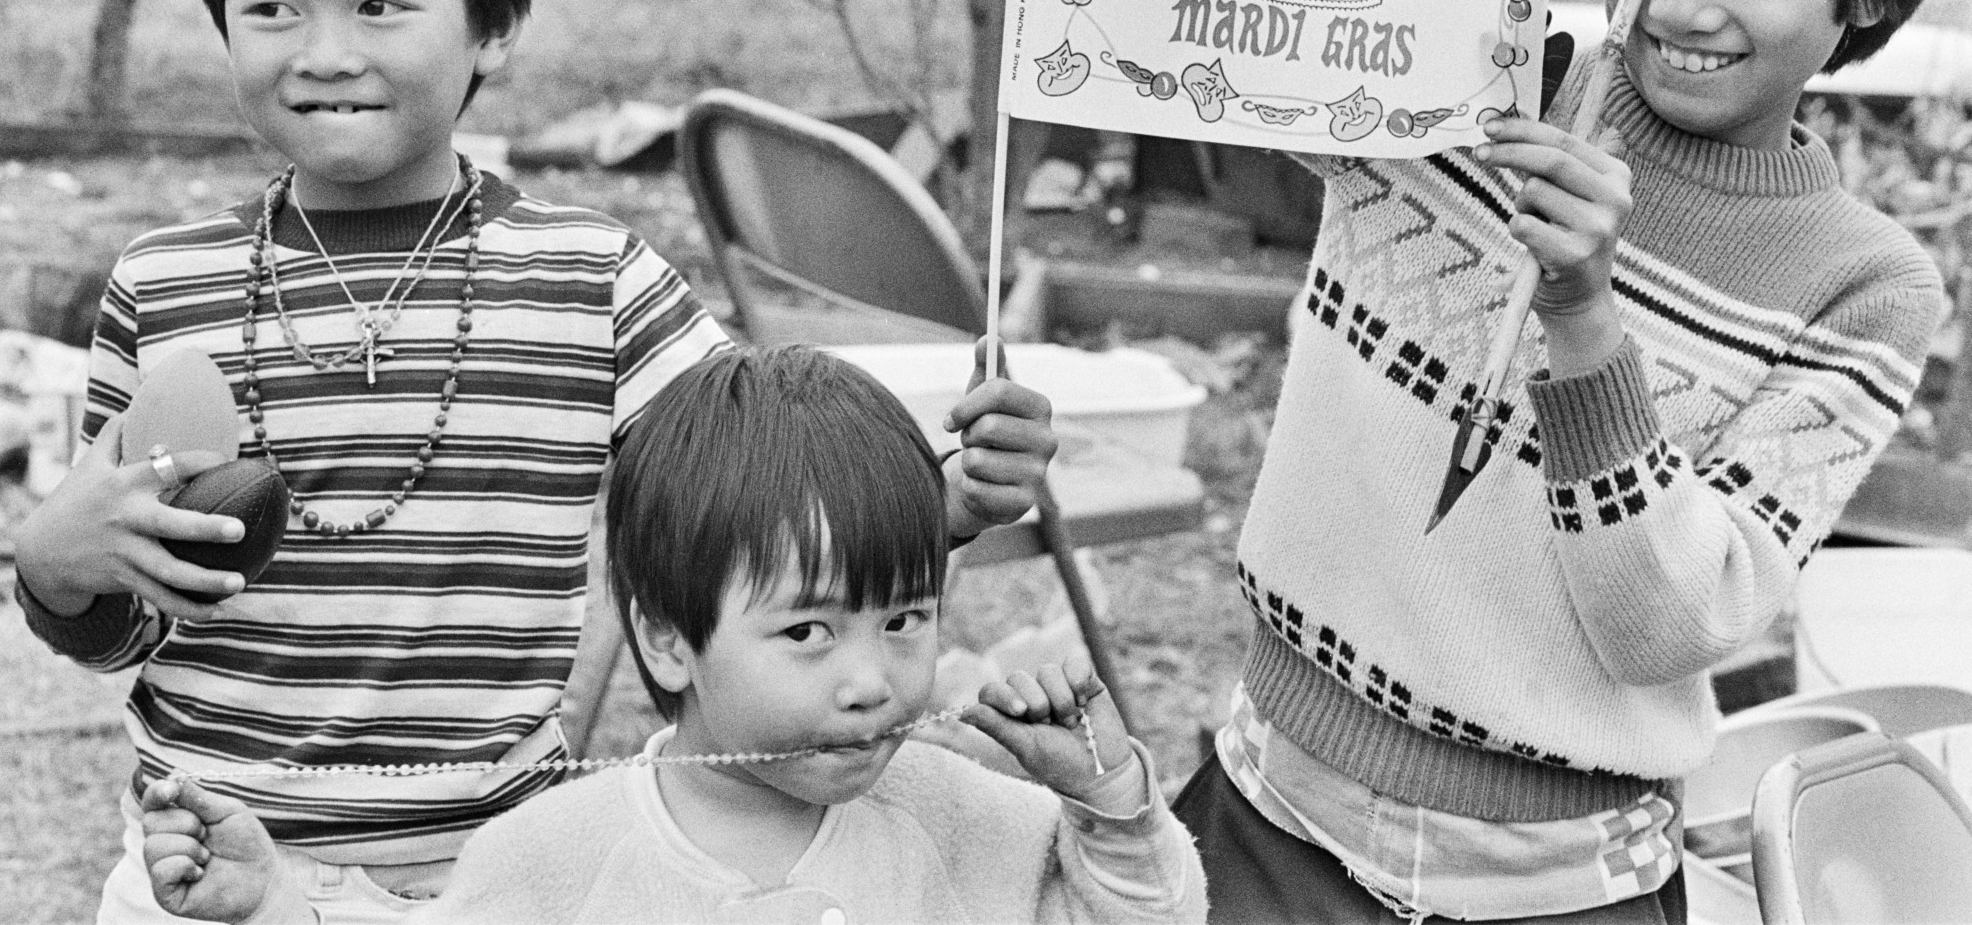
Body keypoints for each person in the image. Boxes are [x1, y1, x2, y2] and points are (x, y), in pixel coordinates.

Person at [9, 0, 1060, 924]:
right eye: (272, 8)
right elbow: (129, 615)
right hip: (207, 863)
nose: (321, 51)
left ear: (494, 28)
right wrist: (57, 565)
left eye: (377, 6)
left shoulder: (590, 281)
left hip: (507, 872)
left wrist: (949, 496)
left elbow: (760, 500)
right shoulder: (165, 287)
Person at [1172, 0, 1965, 923]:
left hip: (1557, 893)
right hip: (1269, 825)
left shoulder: (1863, 287)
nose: (1678, 4)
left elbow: (1677, 622)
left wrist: (1588, 323)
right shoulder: (1465, 67)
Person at [134, 345, 1205, 925]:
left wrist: (1111, 811)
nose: (873, 680)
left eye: (906, 618)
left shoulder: (975, 823)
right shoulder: (552, 856)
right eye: (809, 631)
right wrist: (273, 904)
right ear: (666, 637)